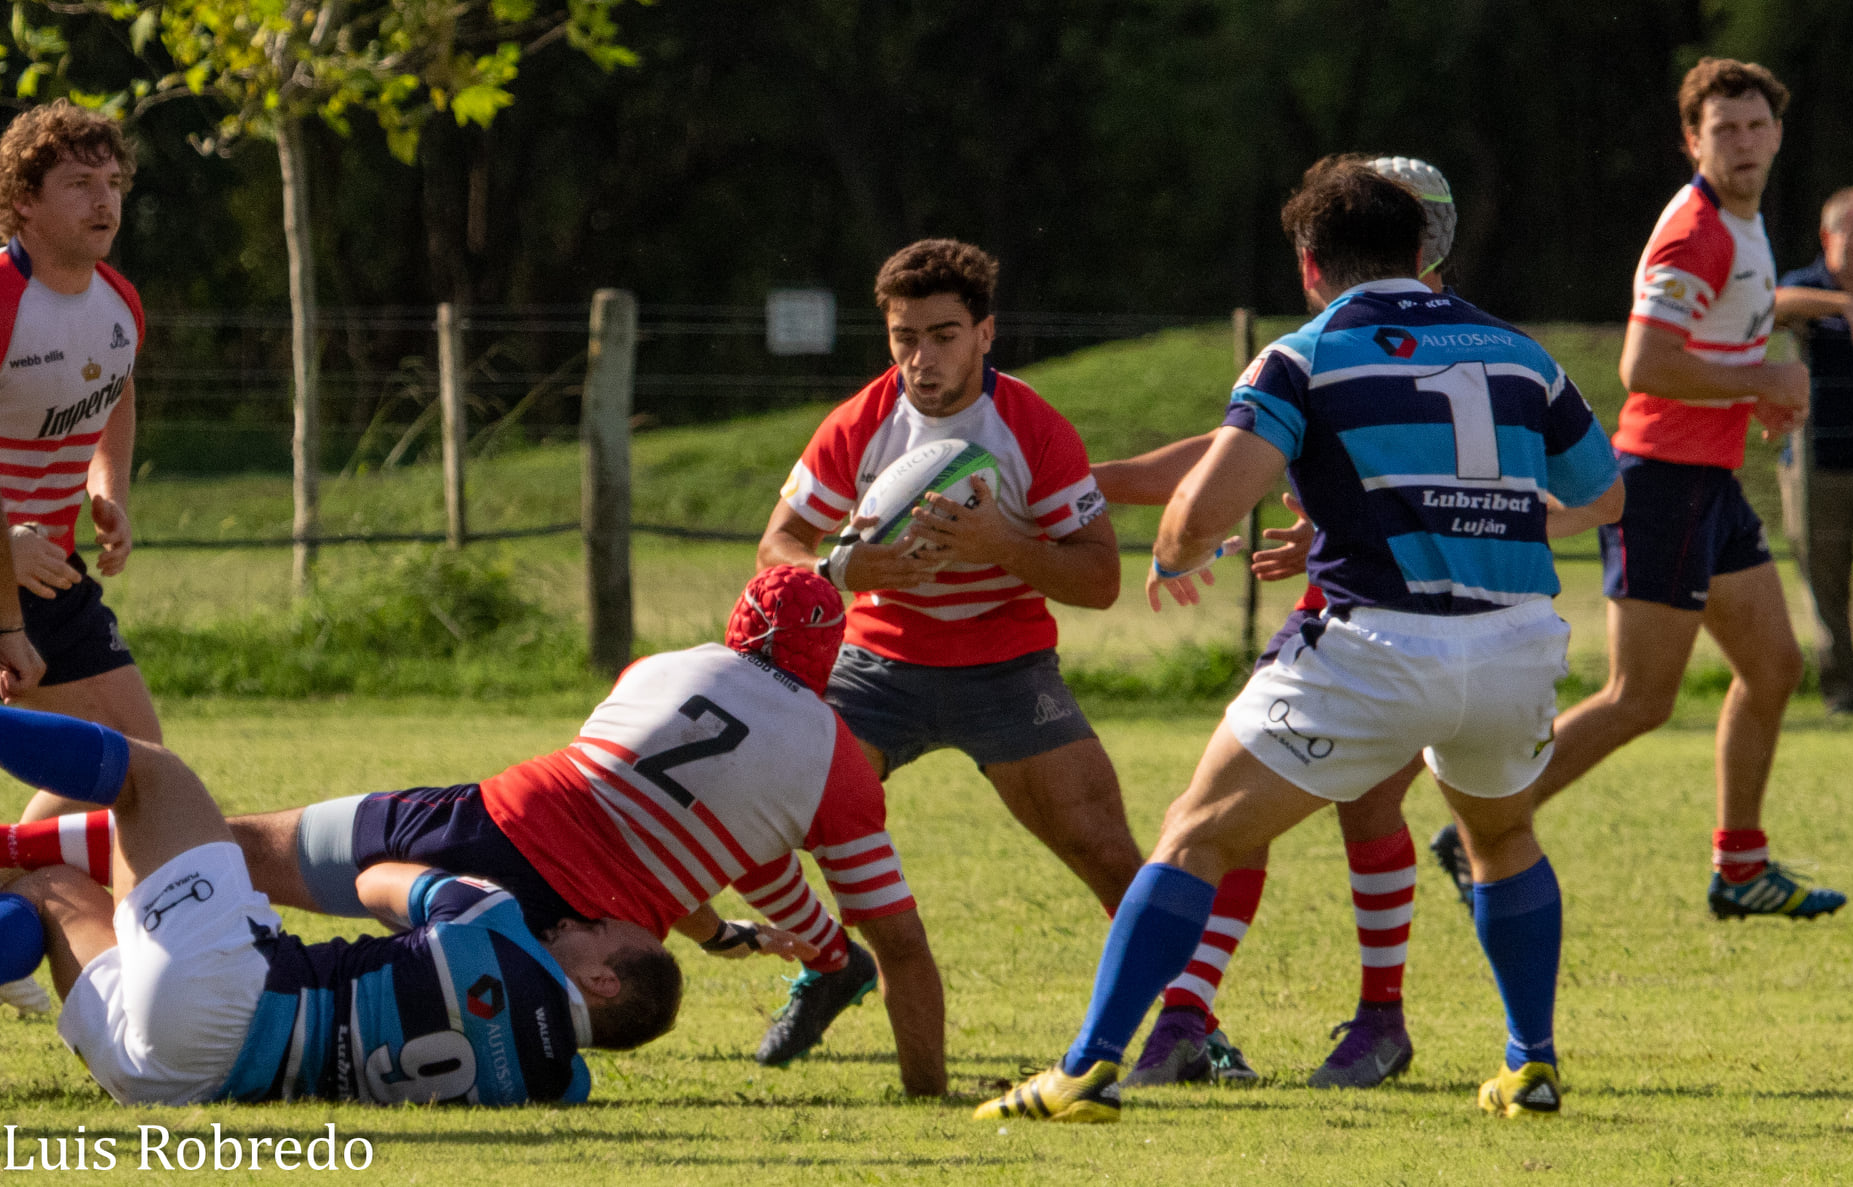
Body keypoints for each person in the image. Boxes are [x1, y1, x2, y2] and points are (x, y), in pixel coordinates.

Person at [975, 155, 1623, 1124]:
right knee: (1503, 836)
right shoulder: (1524, 354)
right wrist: (1495, 526)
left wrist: (1176, 548)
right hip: (1517, 645)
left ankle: (1086, 1067)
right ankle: (1530, 1060)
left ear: (1311, 265)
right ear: (1418, 252)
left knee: (1195, 835)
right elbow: (1602, 494)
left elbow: (1206, 501)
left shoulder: (1306, 353)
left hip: (1374, 649)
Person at [161, 566, 946, 1097]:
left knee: (243, 849)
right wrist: (926, 1092)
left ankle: (75, 850)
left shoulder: (662, 665)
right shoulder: (835, 760)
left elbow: (637, 812)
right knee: (460, 1044)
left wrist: (718, 931)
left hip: (489, 824)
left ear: (737, 627)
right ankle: (834, 963)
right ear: (830, 657)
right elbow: (901, 941)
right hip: (582, 937)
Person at [1430, 59, 1847, 921]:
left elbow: (1725, 333)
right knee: (1639, 697)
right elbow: (1644, 364)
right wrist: (1759, 379)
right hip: (1662, 480)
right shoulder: (1695, 228)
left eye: (1755, 125)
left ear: (1776, 133)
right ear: (1691, 139)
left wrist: (1758, 387)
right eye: (1723, 128)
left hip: (1708, 481)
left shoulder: (1745, 221)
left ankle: (1740, 868)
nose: (1742, 141)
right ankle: (1480, 827)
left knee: (1771, 668)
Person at [1093, 156, 1455, 1092]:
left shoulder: (1426, 340)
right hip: (1344, 614)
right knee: (1228, 816)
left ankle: (1377, 1019)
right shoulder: (1351, 338)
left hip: (1409, 619)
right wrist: (1082, 481)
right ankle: (1187, 1019)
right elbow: (1227, 455)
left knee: (1344, 808)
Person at [754, 238, 1143, 1045]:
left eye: (942, 334)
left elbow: (1100, 579)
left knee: (1106, 852)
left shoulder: (1031, 427)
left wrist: (1003, 545)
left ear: (984, 333)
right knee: (768, 814)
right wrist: (843, 564)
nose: (921, 358)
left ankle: (1189, 1023)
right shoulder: (860, 421)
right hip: (874, 669)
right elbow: (777, 544)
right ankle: (831, 963)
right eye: (904, 338)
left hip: (1006, 668)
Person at [0, 707, 680, 1106]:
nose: (570, 919)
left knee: (149, 777)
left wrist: (440, 915)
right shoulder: (560, 1086)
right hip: (172, 1080)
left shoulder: (494, 919)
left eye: (595, 929)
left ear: (603, 979)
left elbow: (372, 878)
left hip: (231, 994)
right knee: (53, 890)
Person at [0, 101, 158, 1014]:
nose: (105, 203)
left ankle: (24, 897)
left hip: (50, 571)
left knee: (134, 766)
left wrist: (110, 486)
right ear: (23, 202)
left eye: (113, 184)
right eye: (78, 185)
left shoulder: (117, 300)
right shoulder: (2, 301)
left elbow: (118, 386)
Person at [1775, 186, 1853, 711]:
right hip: (1817, 470)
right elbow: (1768, 305)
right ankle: (1845, 694)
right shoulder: (1805, 285)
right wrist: (1843, 305)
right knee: (1828, 591)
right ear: (1826, 237)